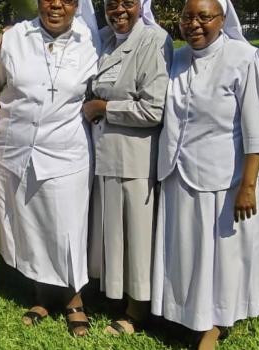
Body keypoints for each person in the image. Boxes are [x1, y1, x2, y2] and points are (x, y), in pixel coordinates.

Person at [151, 0, 259, 349]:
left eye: (204, 17)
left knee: (219, 258)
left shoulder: (243, 59)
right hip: (179, 173)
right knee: (187, 251)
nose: (194, 25)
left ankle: (214, 324)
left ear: (222, 19)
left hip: (226, 178)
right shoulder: (176, 58)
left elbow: (258, 131)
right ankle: (187, 314)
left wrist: (248, 186)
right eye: (188, 17)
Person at [0, 0, 99, 337]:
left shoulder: (92, 41)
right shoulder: (13, 38)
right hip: (16, 148)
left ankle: (73, 298)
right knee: (29, 224)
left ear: (77, 5)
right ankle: (41, 294)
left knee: (67, 228)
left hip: (66, 151)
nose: (56, 4)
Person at [83, 0, 172, 336]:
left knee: (136, 235)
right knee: (114, 234)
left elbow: (154, 108)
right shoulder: (106, 40)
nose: (119, 10)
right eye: (112, 4)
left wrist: (104, 107)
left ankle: (138, 309)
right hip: (106, 155)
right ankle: (117, 296)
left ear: (142, 6)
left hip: (135, 158)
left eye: (128, 3)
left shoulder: (153, 39)